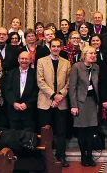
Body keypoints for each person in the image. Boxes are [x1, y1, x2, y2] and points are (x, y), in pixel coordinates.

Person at [37, 38, 71, 167]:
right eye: (53, 46)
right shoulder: (41, 61)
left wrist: (60, 95)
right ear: (50, 47)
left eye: (58, 46)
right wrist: (53, 96)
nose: (55, 48)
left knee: (61, 132)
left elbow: (69, 82)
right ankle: (45, 158)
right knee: (45, 132)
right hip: (45, 101)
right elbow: (40, 81)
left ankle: (60, 156)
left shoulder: (66, 63)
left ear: (61, 48)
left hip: (61, 102)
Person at [69, 46, 100, 167]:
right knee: (82, 131)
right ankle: (83, 156)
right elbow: (72, 88)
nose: (93, 55)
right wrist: (74, 105)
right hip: (80, 102)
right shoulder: (76, 67)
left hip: (92, 102)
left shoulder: (96, 67)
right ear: (84, 55)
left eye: (94, 53)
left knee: (91, 130)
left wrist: (98, 103)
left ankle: (90, 155)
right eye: (90, 53)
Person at [5, 51, 38, 132]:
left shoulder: (35, 73)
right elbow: (7, 90)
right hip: (13, 111)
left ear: (30, 60)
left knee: (28, 137)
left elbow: (36, 91)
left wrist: (27, 104)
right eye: (22, 58)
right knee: (14, 137)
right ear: (18, 60)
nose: (24, 60)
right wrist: (14, 103)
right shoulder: (11, 73)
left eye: (26, 59)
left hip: (29, 112)